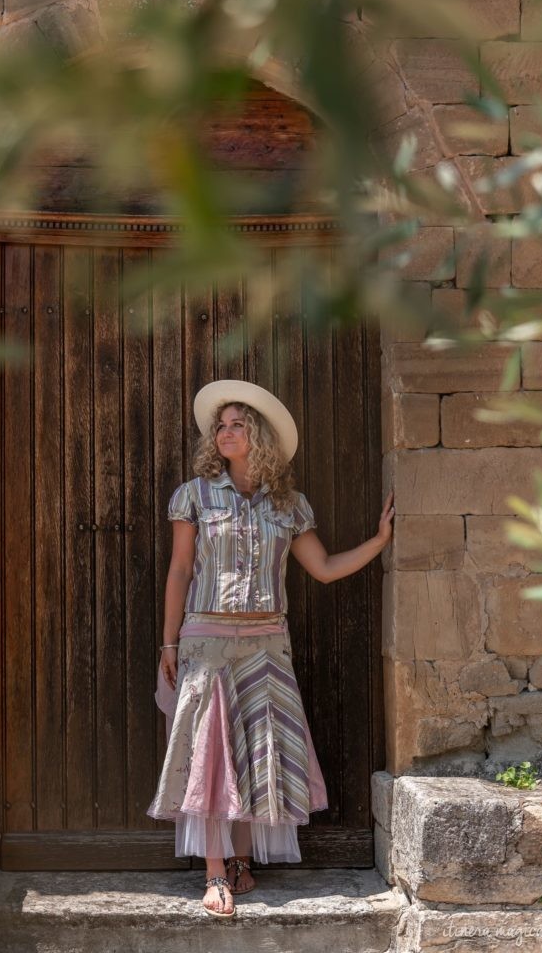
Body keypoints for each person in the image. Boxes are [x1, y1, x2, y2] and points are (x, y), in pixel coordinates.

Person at [146, 380, 394, 918]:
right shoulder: (194, 495)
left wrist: (377, 543)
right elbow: (181, 570)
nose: (225, 432)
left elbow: (324, 569)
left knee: (256, 753)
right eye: (221, 425)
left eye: (237, 423)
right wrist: (168, 641)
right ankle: (214, 873)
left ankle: (239, 862)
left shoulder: (289, 505)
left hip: (266, 641)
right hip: (206, 638)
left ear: (257, 435)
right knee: (210, 754)